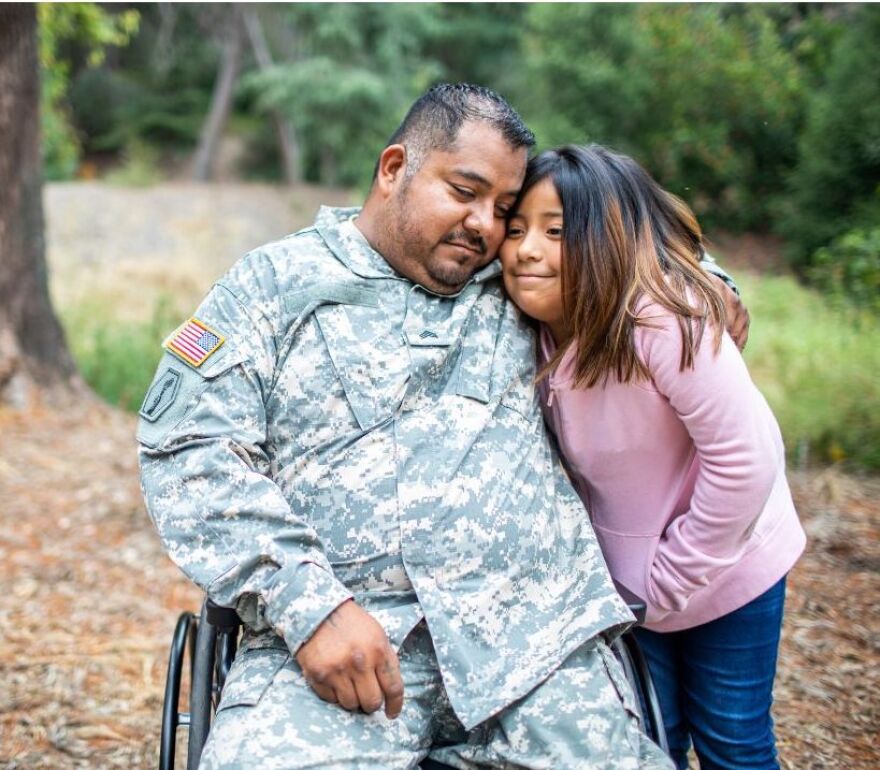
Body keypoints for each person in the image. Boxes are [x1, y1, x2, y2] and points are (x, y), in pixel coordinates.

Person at [138, 85, 674, 769]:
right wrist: (310, 607)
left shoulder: (517, 280)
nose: (485, 225)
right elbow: (188, 449)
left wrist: (703, 282)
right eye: (464, 191)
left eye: (504, 211)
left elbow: (620, 249)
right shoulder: (272, 287)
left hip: (535, 645)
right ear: (394, 168)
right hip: (345, 649)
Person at [499, 144, 806, 770]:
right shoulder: (528, 325)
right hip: (633, 587)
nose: (527, 249)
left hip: (729, 564)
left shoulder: (663, 320)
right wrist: (640, 588)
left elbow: (745, 460)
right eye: (517, 229)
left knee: (732, 738)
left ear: (609, 240)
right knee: (650, 739)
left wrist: (670, 579)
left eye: (556, 232)